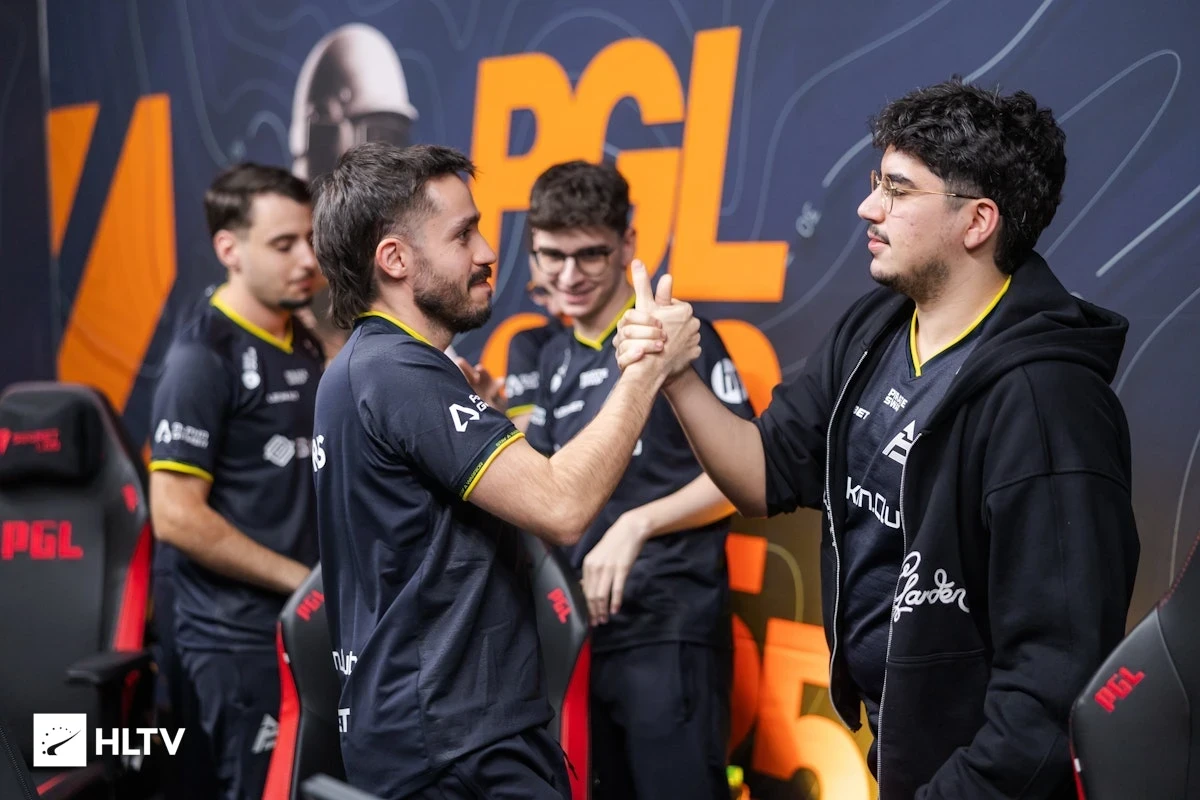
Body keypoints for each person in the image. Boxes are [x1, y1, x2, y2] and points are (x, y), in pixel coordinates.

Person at [615, 78, 1141, 799]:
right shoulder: (877, 328)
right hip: (899, 746)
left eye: (898, 189)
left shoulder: (1049, 401)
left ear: (977, 221)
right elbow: (764, 472)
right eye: (876, 184)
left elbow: (1052, 686)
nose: (869, 207)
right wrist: (676, 376)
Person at [308, 142, 699, 799]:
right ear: (395, 259)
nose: (488, 252)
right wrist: (648, 370)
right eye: (463, 234)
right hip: (456, 746)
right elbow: (562, 505)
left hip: (442, 733)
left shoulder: (369, 367)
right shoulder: (397, 371)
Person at [503, 160, 752, 800]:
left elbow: (743, 478)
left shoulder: (677, 337)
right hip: (574, 634)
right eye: (551, 255)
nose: (568, 275)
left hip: (667, 625)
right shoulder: (550, 356)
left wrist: (637, 524)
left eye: (590, 254)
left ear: (627, 245)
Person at [148, 164, 324, 799]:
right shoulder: (201, 359)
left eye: (310, 238)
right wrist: (302, 582)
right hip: (236, 640)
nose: (308, 259)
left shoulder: (303, 338)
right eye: (284, 244)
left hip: (306, 625)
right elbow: (175, 515)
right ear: (230, 249)